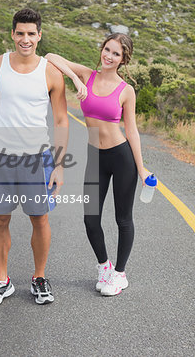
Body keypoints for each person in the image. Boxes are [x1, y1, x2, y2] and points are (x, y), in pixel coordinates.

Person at [0, 8, 69, 307]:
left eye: (31, 34)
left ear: (39, 36)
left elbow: (62, 120)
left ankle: (39, 278)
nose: (25, 39)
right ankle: (2, 280)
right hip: (1, 157)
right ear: (12, 34)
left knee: (40, 219)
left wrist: (60, 165)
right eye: (20, 33)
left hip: (37, 159)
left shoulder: (51, 73)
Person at [46, 33, 148, 296]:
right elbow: (50, 57)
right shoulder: (88, 76)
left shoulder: (126, 91)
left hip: (121, 157)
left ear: (123, 59)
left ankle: (119, 274)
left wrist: (142, 166)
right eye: (107, 49)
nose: (109, 56)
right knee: (91, 219)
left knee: (122, 219)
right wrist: (74, 77)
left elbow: (132, 131)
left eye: (116, 53)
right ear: (101, 50)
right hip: (95, 157)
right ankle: (104, 266)